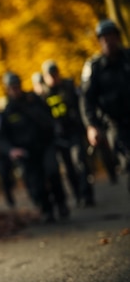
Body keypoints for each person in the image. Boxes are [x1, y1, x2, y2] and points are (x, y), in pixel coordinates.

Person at [0, 72, 69, 222]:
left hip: (45, 145)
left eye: (17, 86)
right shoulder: (6, 111)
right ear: (7, 89)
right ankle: (46, 209)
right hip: (26, 153)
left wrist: (55, 131)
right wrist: (11, 150)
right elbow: (1, 137)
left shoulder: (34, 100)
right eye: (12, 87)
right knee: (37, 183)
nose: (15, 90)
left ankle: (61, 203)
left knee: (53, 172)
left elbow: (50, 117)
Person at [81, 19, 130, 193]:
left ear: (117, 37)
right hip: (114, 124)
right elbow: (87, 100)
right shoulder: (94, 67)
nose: (108, 41)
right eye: (104, 38)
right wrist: (91, 126)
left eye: (111, 36)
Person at [40, 60, 95, 206]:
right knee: (68, 168)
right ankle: (77, 195)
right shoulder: (42, 96)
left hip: (73, 132)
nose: (53, 78)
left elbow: (81, 106)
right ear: (44, 77)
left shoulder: (69, 86)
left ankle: (87, 195)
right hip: (58, 137)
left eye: (54, 74)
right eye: (49, 75)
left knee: (80, 162)